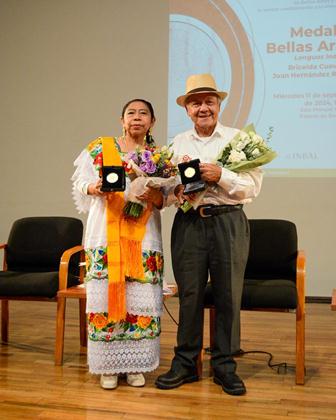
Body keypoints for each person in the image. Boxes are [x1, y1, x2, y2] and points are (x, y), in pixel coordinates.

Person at [155, 74, 263, 396]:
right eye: (196, 102)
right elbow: (167, 192)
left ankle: (225, 366)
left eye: (209, 102)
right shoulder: (176, 145)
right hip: (189, 225)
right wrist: (175, 192)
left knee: (228, 295)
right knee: (190, 295)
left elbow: (253, 188)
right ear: (187, 109)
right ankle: (185, 364)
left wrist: (222, 174)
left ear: (219, 105)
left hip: (228, 222)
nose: (203, 108)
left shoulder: (239, 140)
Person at [72, 99, 164, 389]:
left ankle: (135, 365)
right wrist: (93, 187)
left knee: (140, 300)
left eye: (143, 113)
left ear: (152, 121)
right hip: (105, 234)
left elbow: (167, 199)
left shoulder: (158, 156)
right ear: (121, 120)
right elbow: (79, 182)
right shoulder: (101, 148)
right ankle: (108, 368)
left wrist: (155, 197)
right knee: (106, 299)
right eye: (131, 113)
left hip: (144, 237)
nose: (137, 118)